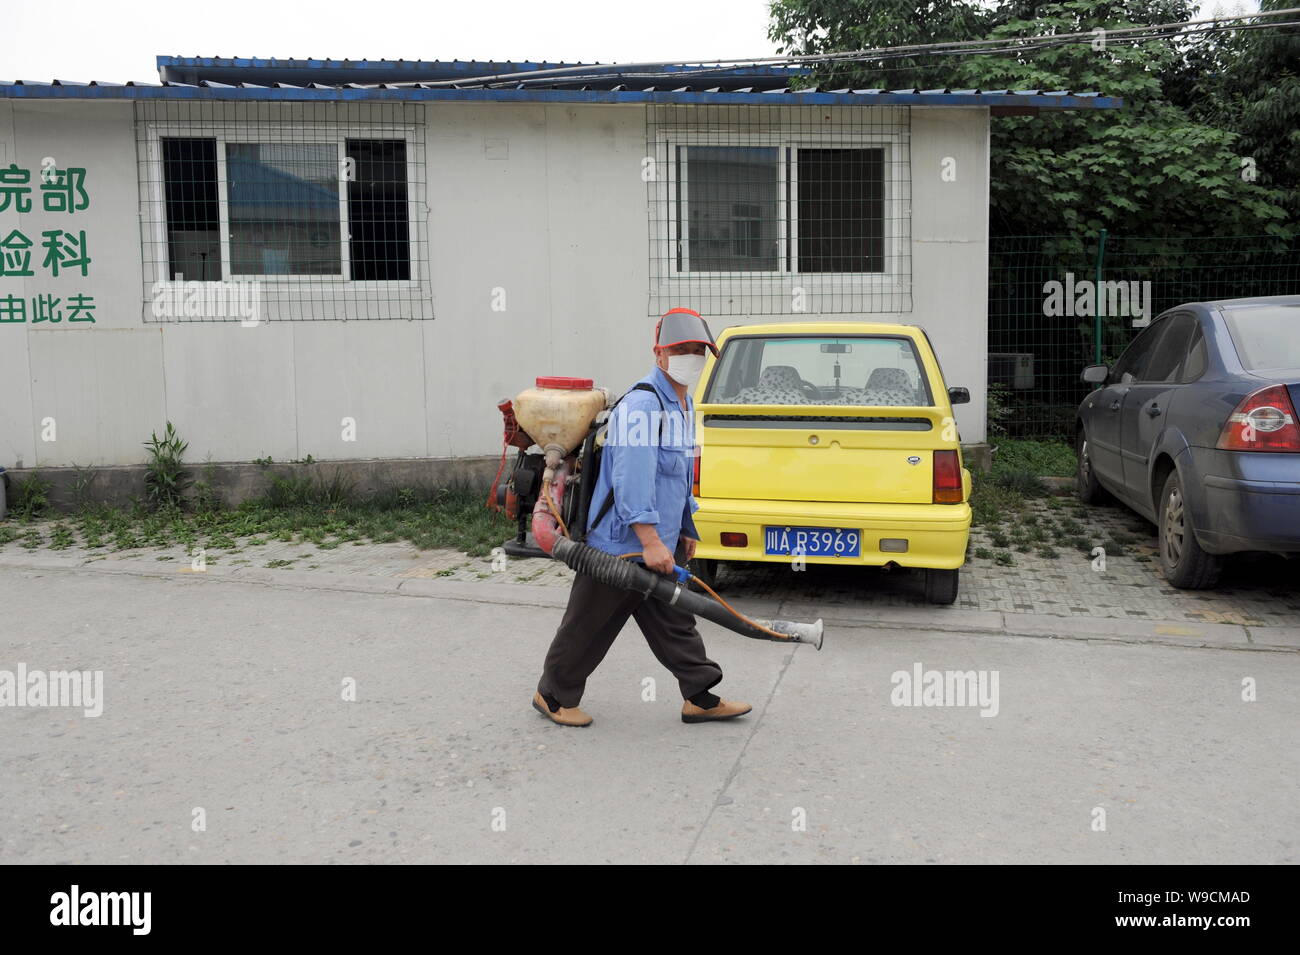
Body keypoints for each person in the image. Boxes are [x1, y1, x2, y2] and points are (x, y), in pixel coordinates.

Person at [532, 307, 752, 728]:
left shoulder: (681, 404)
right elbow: (632, 480)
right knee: (588, 625)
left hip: (658, 542)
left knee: (675, 622)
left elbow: (676, 476)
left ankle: (700, 697)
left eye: (697, 350)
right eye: (680, 349)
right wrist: (649, 540)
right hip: (621, 545)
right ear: (659, 353)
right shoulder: (643, 405)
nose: (691, 357)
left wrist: (685, 530)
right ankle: (552, 695)